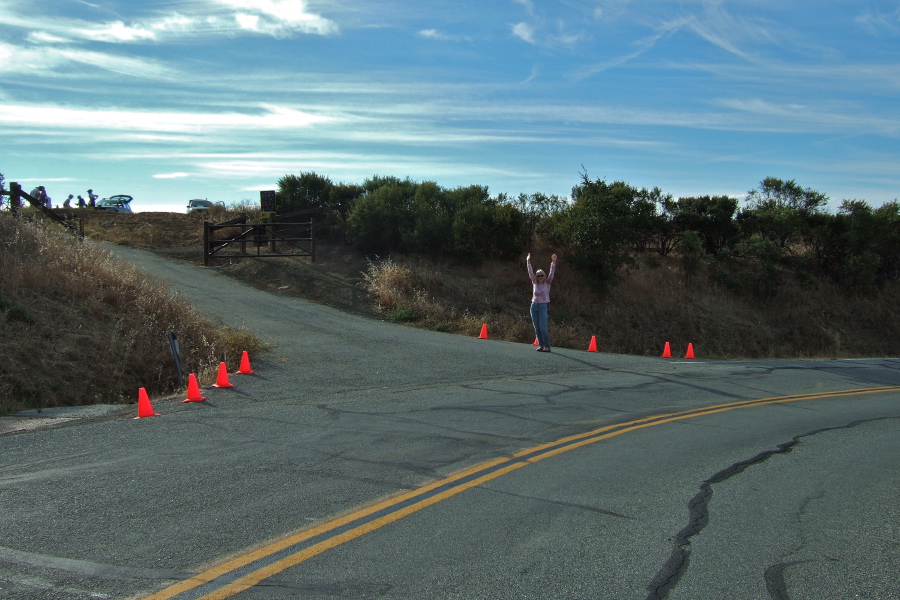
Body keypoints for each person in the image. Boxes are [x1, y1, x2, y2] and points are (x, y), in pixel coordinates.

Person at [527, 252, 558, 352]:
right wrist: (528, 261)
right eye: (539, 276)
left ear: (544, 276)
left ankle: (547, 346)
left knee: (543, 327)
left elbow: (551, 273)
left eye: (542, 275)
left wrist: (553, 262)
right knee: (537, 328)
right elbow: (530, 273)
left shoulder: (547, 283)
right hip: (534, 306)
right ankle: (541, 345)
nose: (540, 277)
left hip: (543, 306)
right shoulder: (534, 282)